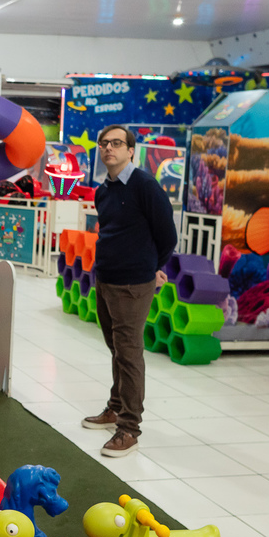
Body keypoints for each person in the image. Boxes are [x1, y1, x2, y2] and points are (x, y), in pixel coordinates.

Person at [82, 124, 177, 457]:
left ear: (131, 150)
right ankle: (115, 406)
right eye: (104, 143)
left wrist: (151, 268)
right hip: (105, 278)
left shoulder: (145, 186)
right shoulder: (103, 191)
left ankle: (129, 428)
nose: (110, 148)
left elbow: (167, 235)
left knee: (129, 353)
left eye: (117, 143)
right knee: (116, 349)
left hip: (133, 284)